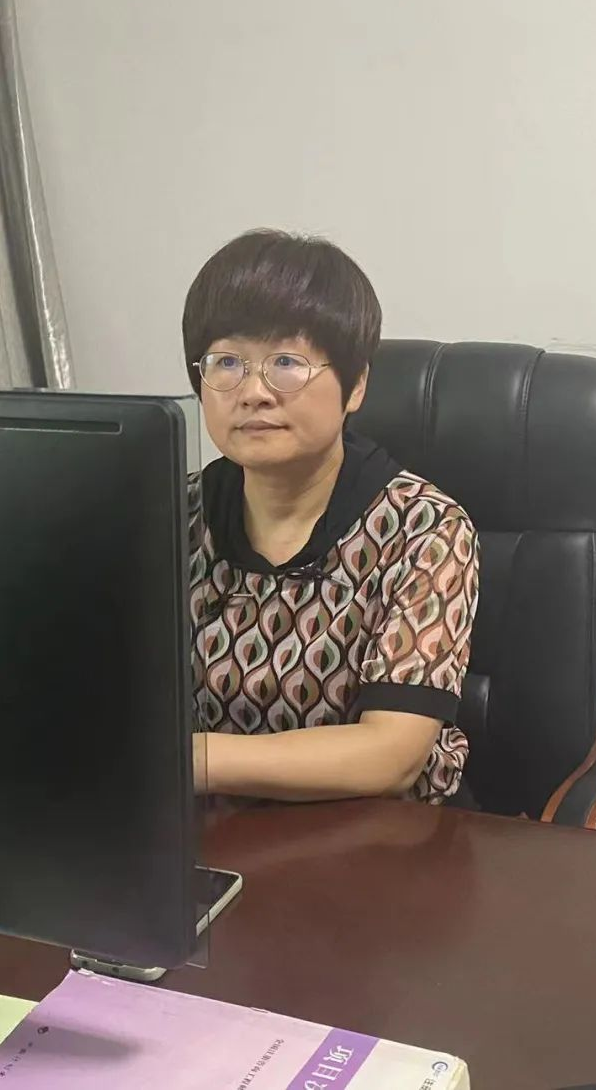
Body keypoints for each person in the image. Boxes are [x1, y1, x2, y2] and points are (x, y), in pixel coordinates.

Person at [186, 229, 479, 804]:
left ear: (356, 385)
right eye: (227, 362)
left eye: (286, 363)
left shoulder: (424, 528)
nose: (253, 392)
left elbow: (390, 755)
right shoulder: (172, 513)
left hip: (385, 834)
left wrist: (188, 760)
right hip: (208, 831)